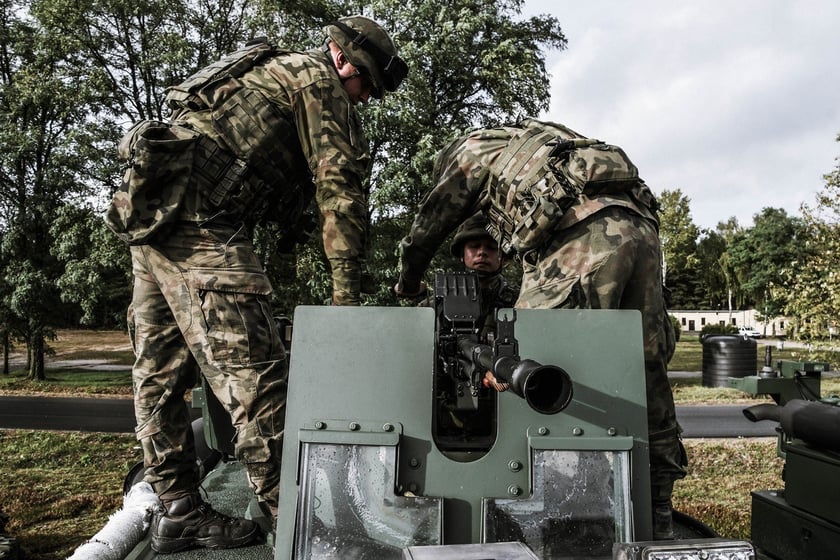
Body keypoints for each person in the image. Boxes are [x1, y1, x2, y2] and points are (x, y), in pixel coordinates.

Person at [105, 15, 407, 553]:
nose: (365, 98)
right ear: (343, 59)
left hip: (155, 221)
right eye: (367, 84)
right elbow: (338, 189)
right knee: (257, 375)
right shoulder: (318, 81)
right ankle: (300, 528)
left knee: (159, 373)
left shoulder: (271, 69)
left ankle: (177, 509)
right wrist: (347, 299)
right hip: (202, 226)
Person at [394, 118, 686, 540]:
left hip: (582, 238)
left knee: (528, 370)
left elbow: (429, 225)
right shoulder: (540, 139)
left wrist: (408, 281)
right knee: (647, 370)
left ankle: (550, 513)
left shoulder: (472, 151)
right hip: (642, 229)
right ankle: (658, 518)